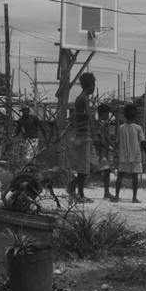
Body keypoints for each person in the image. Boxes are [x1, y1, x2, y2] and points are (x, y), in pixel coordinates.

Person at [66, 72, 98, 203]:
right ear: (91, 85)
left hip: (86, 135)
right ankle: (80, 194)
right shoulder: (83, 99)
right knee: (84, 167)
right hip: (83, 136)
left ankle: (72, 185)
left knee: (93, 164)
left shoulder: (83, 98)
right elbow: (89, 117)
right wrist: (95, 133)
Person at [112, 104, 145, 203]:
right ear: (135, 116)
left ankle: (116, 196)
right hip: (135, 155)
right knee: (135, 176)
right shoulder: (138, 128)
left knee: (120, 175)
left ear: (125, 116)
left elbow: (116, 142)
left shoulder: (121, 128)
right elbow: (143, 142)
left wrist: (121, 150)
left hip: (123, 155)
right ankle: (134, 198)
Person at [94, 104, 117, 200]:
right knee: (87, 172)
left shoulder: (103, 125)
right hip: (96, 153)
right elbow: (99, 141)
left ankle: (106, 193)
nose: (108, 115)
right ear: (103, 113)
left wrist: (115, 147)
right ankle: (73, 185)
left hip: (101, 153)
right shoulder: (97, 125)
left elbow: (107, 138)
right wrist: (109, 149)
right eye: (107, 113)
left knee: (107, 171)